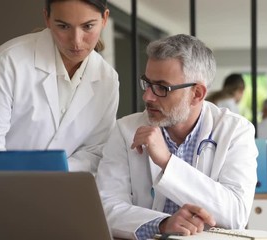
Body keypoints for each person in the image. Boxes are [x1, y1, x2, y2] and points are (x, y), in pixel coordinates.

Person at [0, 1, 118, 239]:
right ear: (47, 19)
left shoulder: (108, 79)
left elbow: (95, 151)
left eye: (88, 26)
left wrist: (48, 179)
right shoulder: (8, 61)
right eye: (63, 26)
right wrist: (35, 183)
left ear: (104, 19)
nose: (76, 41)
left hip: (47, 200)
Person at [96, 34, 258, 240]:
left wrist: (166, 161)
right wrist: (162, 224)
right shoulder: (125, 129)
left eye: (162, 88)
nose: (147, 96)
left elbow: (236, 215)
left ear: (197, 93)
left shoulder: (235, 131)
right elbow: (105, 206)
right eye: (147, 83)